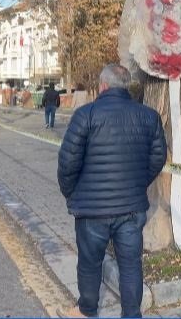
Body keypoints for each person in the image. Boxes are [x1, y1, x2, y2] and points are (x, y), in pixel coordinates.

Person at [57, 64, 167, 318]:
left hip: (91, 209)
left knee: (89, 262)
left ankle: (86, 310)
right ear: (125, 86)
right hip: (131, 208)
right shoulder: (149, 116)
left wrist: (72, 193)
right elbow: (158, 156)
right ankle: (131, 314)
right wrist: (139, 183)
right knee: (130, 265)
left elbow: (67, 162)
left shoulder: (85, 115)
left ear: (103, 86)